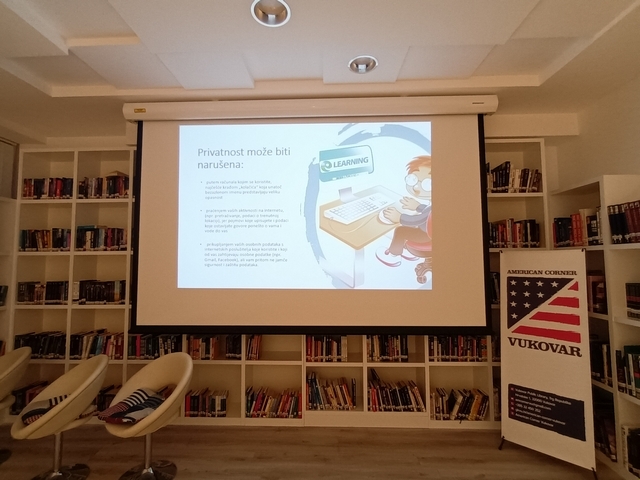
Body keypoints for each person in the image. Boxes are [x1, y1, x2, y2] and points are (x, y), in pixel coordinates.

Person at [376, 155, 432, 267]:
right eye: (413, 179)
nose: (416, 187)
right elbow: (428, 212)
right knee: (408, 228)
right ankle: (403, 249)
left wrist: (399, 217)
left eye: (427, 184)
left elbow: (417, 219)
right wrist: (418, 206)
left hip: (426, 236)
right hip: (428, 232)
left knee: (400, 231)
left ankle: (393, 254)